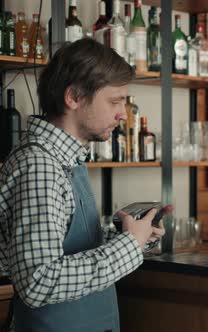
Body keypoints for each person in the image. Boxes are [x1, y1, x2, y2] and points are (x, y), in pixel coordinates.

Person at [0, 38, 172, 332]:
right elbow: (38, 282)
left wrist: (131, 236)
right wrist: (128, 247)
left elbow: (68, 249)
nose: (122, 114)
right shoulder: (39, 166)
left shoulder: (67, 161)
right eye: (115, 101)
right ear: (74, 97)